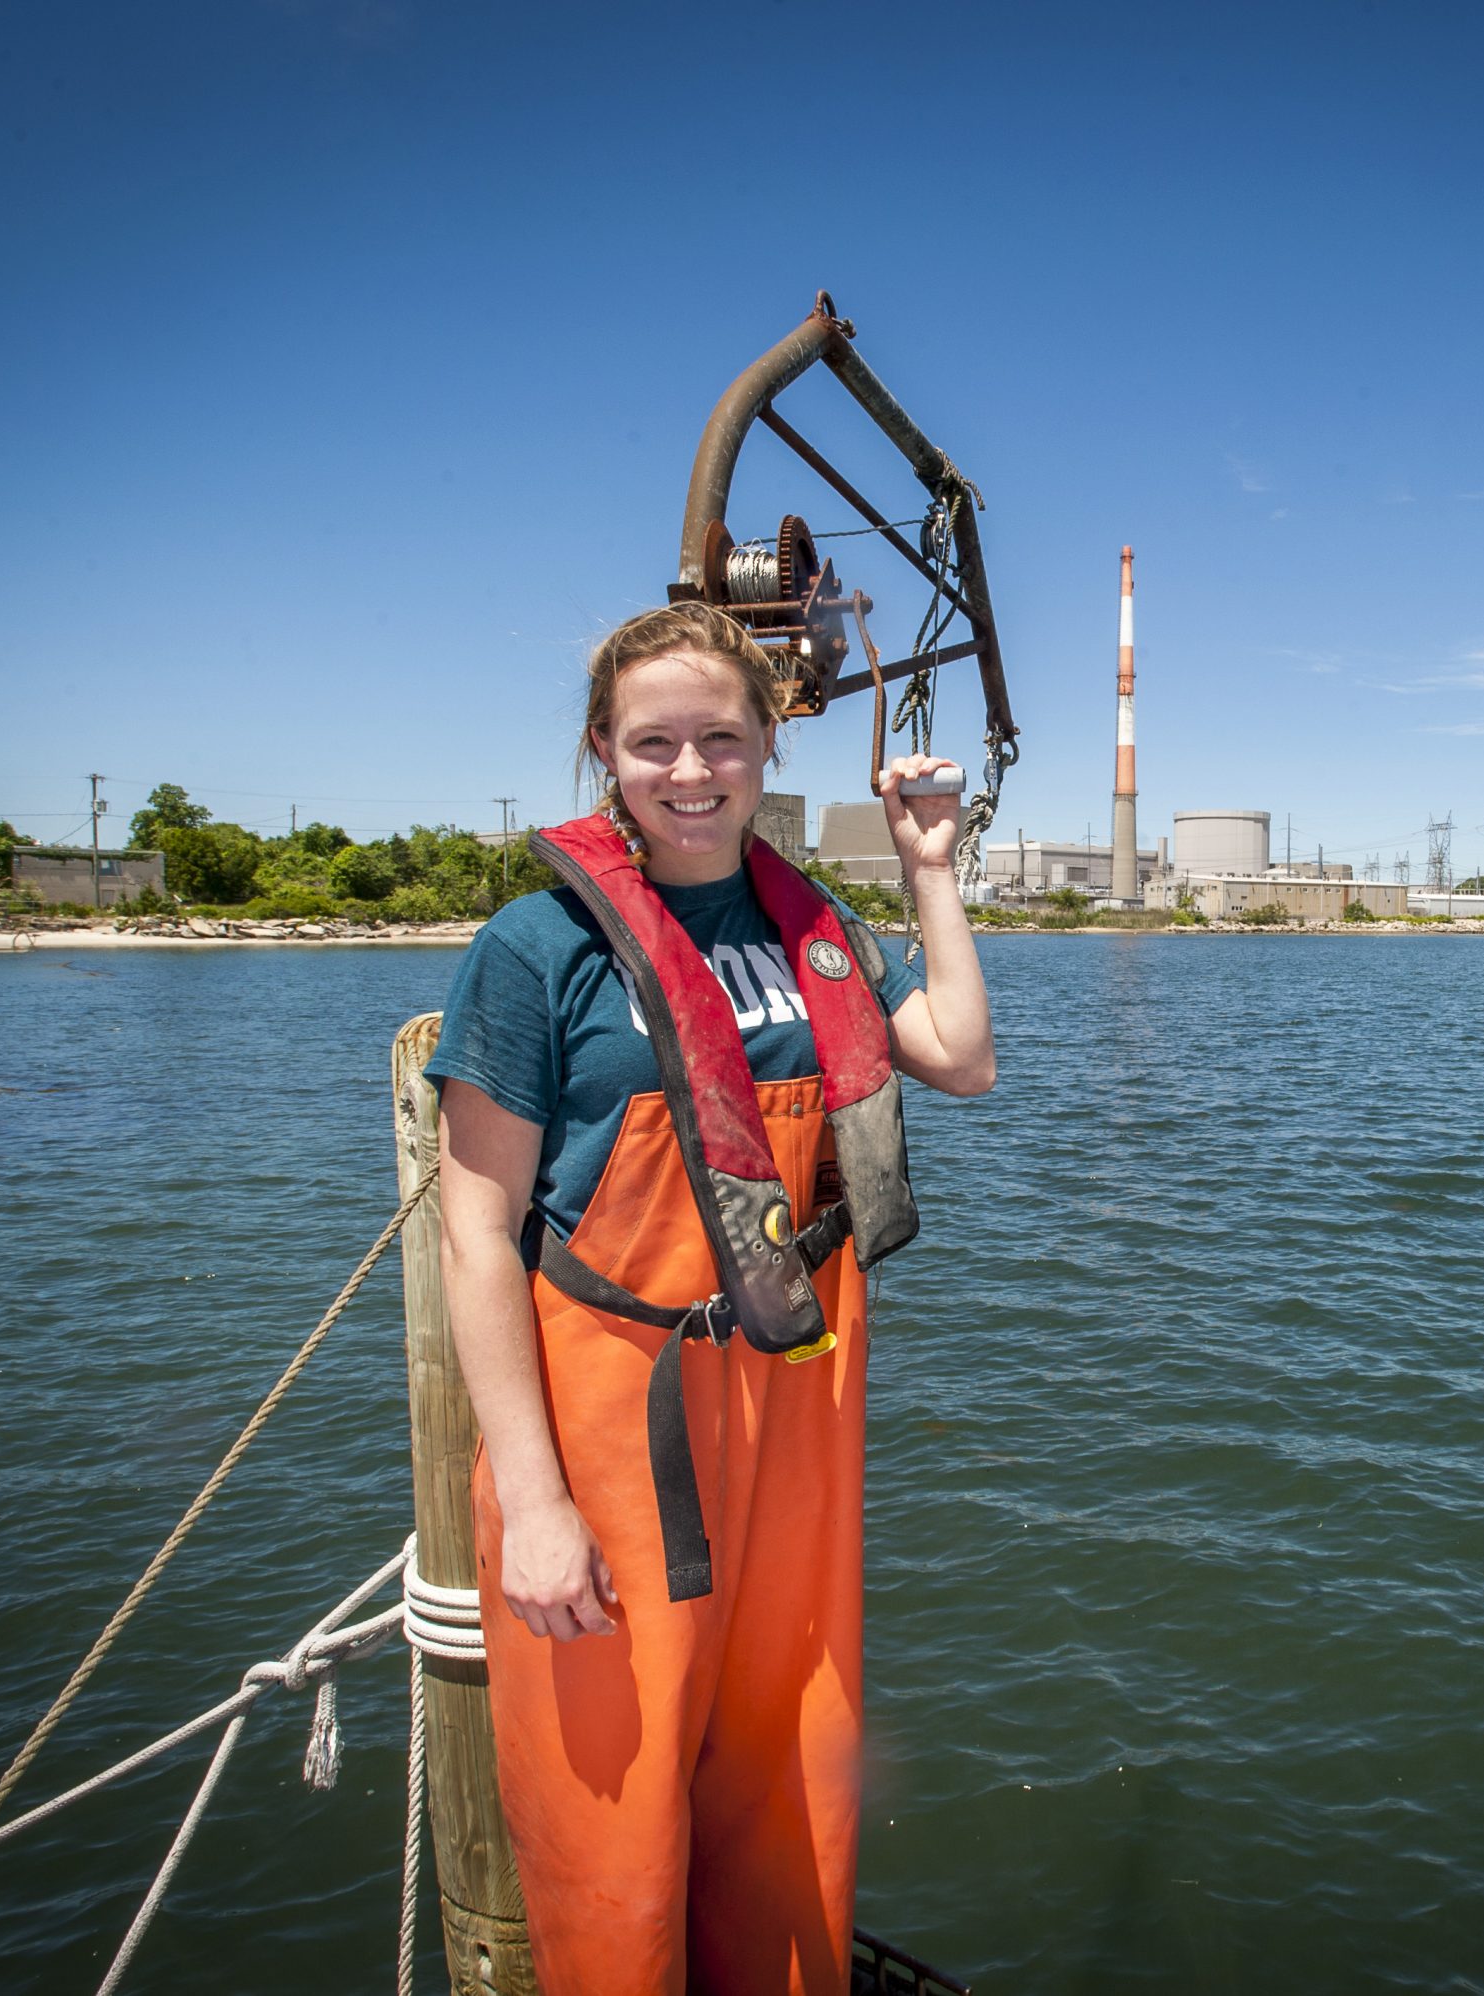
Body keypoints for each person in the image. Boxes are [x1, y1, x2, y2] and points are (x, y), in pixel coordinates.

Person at [426, 602, 993, 1996]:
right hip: (618, 1411)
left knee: (790, 1757)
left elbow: (960, 1057)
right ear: (600, 755)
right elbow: (476, 1228)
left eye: (719, 740)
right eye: (653, 744)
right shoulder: (532, 949)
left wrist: (931, 870)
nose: (690, 772)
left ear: (765, 746)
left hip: (795, 1396)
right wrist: (536, 1501)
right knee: (607, 1800)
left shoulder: (812, 924)